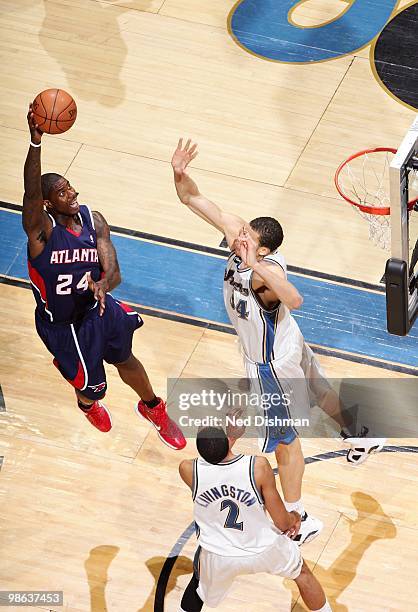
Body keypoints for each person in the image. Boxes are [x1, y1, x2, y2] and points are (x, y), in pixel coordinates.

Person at [171, 138, 386, 542]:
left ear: (264, 249)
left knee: (285, 442)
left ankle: (297, 520)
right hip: (289, 342)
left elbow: (295, 298)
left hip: (271, 364)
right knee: (321, 391)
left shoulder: (262, 275)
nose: (240, 239)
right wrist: (180, 173)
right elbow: (194, 199)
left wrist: (254, 265)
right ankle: (360, 435)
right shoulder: (239, 235)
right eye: (243, 233)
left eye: (249, 240)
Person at [21, 104, 185, 450]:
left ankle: (153, 407)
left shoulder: (94, 221)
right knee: (92, 387)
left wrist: (102, 285)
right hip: (64, 324)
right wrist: (36, 142)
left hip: (97, 310)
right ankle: (87, 405)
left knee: (125, 357)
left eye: (71, 187)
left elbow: (114, 272)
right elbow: (31, 195)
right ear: (48, 204)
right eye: (62, 192)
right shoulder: (42, 233)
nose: (73, 194)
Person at [178, 426, 332, 611]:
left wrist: (227, 441)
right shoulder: (257, 467)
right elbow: (282, 523)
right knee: (302, 574)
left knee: (198, 581)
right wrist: (296, 517)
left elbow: (212, 461)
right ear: (226, 442)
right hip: (263, 548)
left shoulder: (188, 470)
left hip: (219, 555)